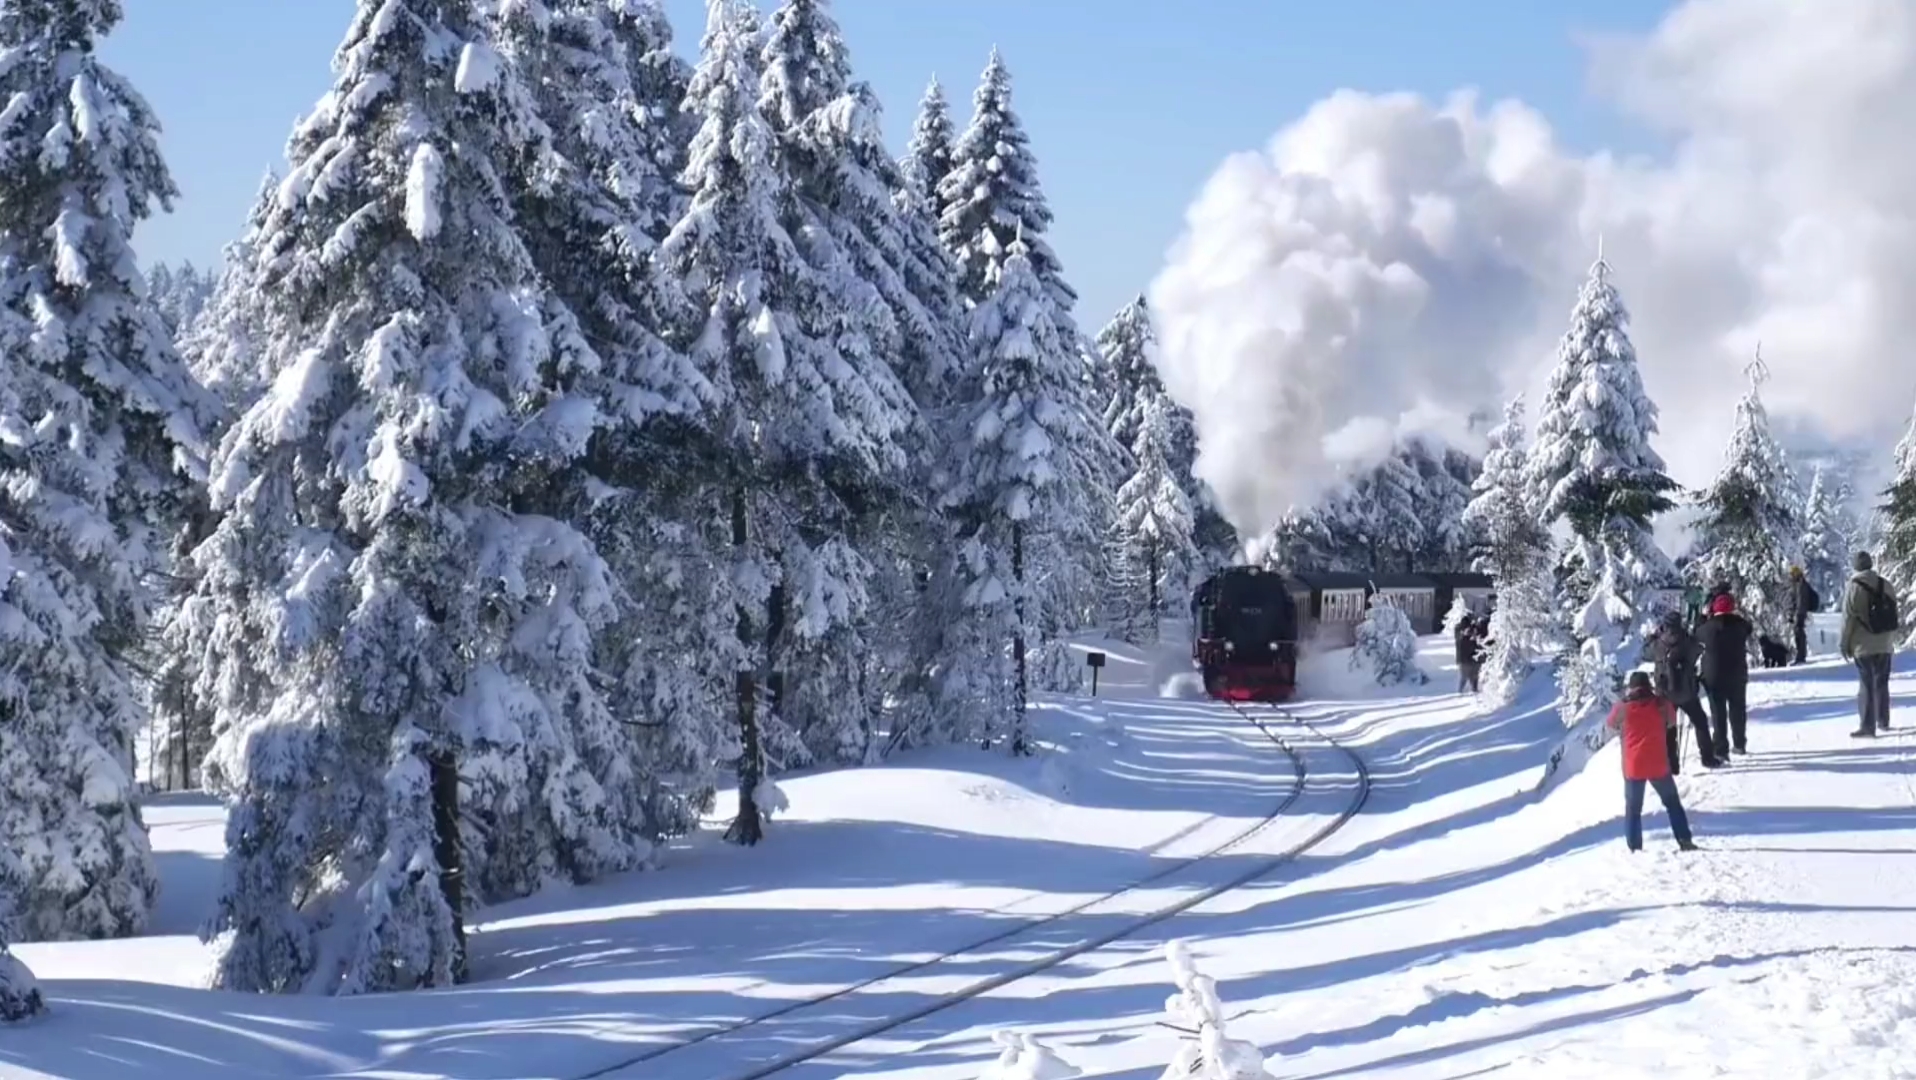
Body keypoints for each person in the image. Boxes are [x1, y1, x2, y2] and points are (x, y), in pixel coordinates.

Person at [1604, 670, 1698, 853]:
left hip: (1633, 767)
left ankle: (1635, 848)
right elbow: (1671, 722)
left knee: (1633, 810)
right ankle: (1684, 840)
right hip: (1658, 764)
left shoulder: (1622, 708)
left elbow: (1610, 725)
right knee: (1672, 803)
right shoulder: (1661, 704)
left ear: (1630, 689)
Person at [1647, 609, 1721, 769]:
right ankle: (1707, 758)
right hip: (1687, 692)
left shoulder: (1659, 644)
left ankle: (1670, 762)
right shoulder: (1687, 641)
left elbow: (1649, 650)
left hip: (1665, 693)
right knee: (1700, 722)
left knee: (1668, 727)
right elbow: (1698, 652)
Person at [1839, 551, 1900, 738]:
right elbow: (1893, 613)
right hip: (1885, 642)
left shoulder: (1853, 587)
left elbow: (1848, 619)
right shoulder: (1886, 584)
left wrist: (1844, 644)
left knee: (1866, 683)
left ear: (1856, 566)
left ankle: (1867, 725)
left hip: (1862, 644)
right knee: (1882, 682)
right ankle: (1883, 720)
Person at [1695, 592, 1754, 758]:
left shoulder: (1708, 628)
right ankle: (1739, 744)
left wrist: (1703, 618)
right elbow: (1749, 627)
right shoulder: (1740, 626)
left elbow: (1696, 633)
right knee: (1738, 710)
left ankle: (1721, 749)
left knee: (1718, 713)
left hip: (1714, 676)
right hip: (1737, 675)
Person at [1786, 565, 1819, 665]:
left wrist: (1797, 614)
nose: (1790, 576)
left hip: (1800, 613)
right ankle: (1800, 656)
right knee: (1798, 634)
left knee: (1799, 634)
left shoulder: (1800, 584)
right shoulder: (1797, 584)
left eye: (1792, 574)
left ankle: (1801, 657)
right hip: (1799, 613)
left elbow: (1801, 601)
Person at [1454, 611, 1486, 693]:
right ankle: (1464, 691)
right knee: (1468, 676)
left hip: (1469, 658)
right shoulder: (1460, 632)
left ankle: (1468, 690)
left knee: (1471, 676)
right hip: (1467, 658)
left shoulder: (1472, 630)